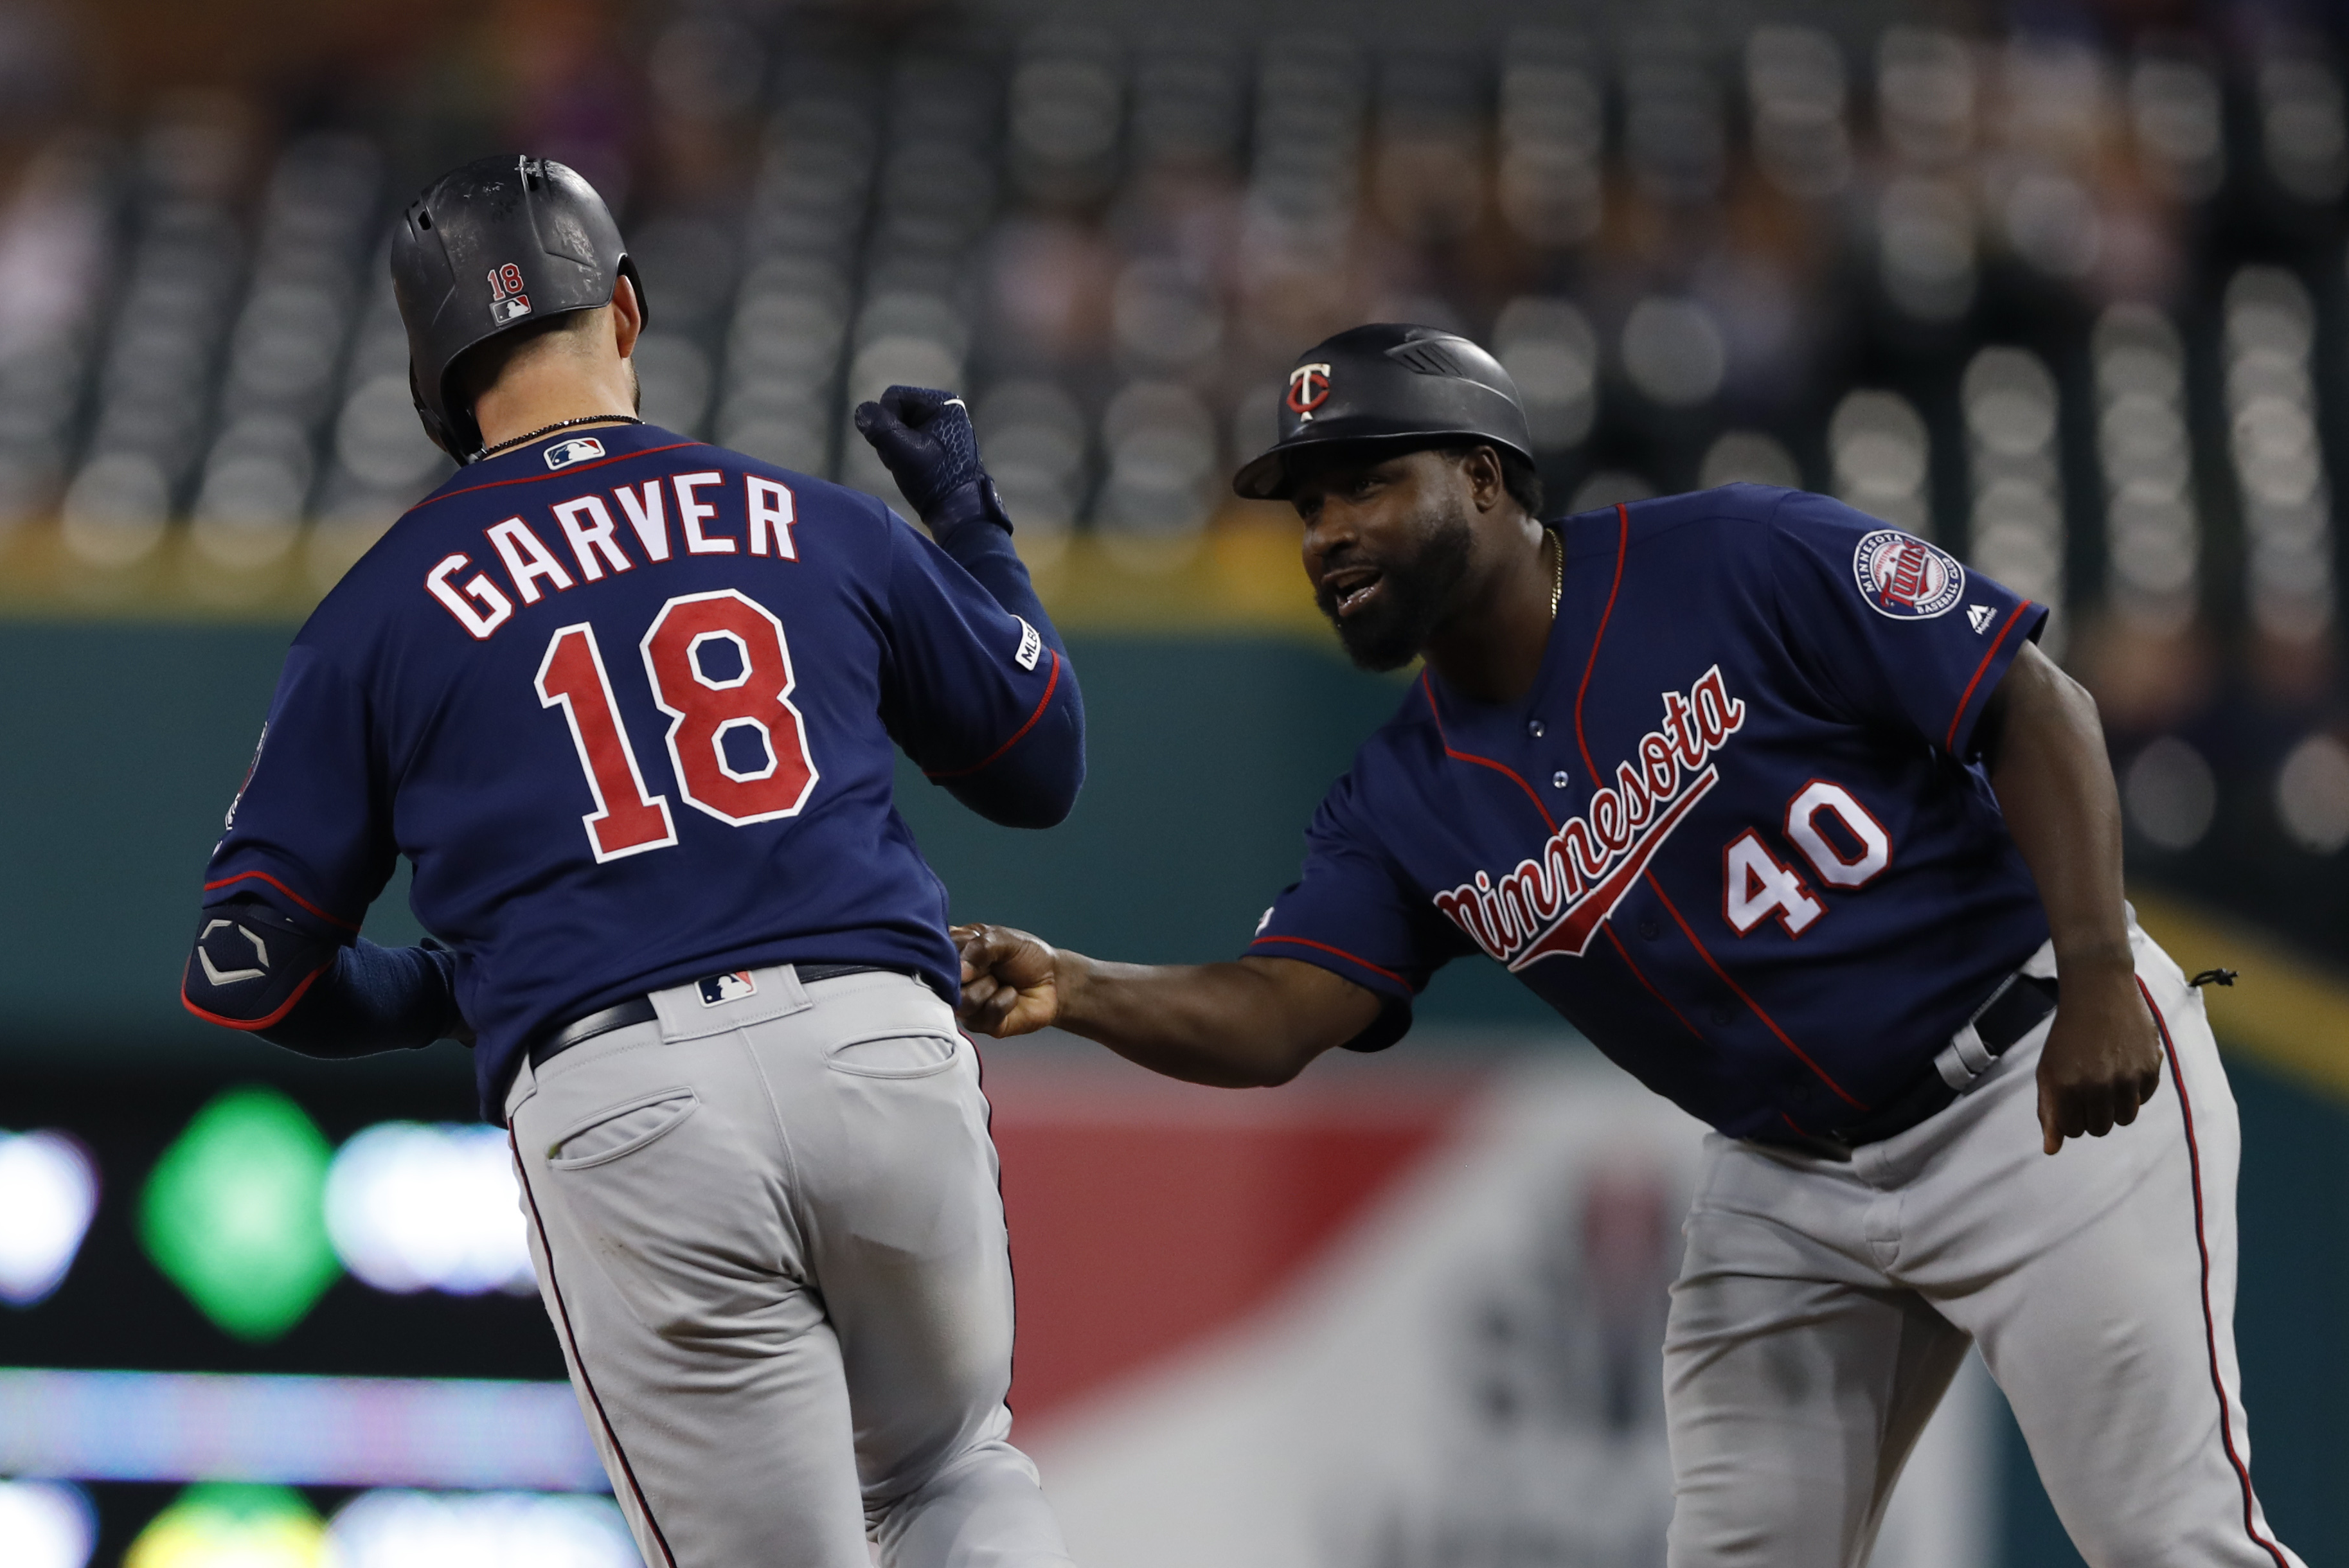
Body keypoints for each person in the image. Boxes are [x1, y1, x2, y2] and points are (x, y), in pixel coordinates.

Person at [953, 323, 2301, 1567]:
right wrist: (1079, 985)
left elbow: (2029, 698)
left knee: (2171, 1541)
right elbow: (1278, 1009)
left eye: (1364, 483)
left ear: (1483, 476)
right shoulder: (1403, 798)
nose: (1327, 533)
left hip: (2035, 1082)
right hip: (1796, 1183)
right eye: (1310, 506)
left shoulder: (1732, 555)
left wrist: (2103, 975)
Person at [180, 155, 1082, 1568]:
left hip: (628, 1094)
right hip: (878, 1043)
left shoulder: (379, 609)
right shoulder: (810, 516)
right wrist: (969, 524)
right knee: (953, 1477)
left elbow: (243, 969)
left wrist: (441, 991)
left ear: (434, 378)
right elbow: (1038, 756)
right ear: (627, 310)